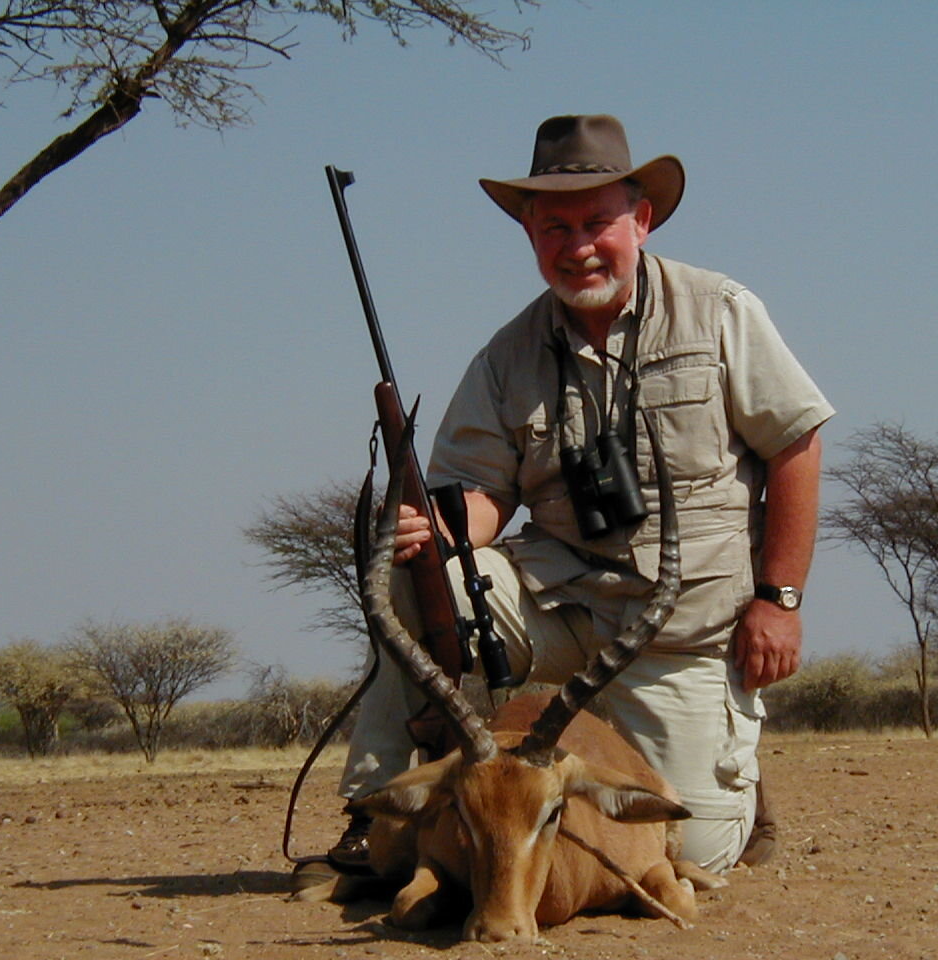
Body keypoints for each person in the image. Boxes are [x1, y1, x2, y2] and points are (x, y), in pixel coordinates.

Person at [332, 114, 834, 873]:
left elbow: (797, 447)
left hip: (682, 629)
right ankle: (374, 815)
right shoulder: (506, 357)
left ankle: (738, 783)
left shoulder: (720, 310)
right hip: (562, 602)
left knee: (693, 851)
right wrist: (433, 529)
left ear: (641, 219)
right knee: (416, 573)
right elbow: (485, 498)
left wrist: (781, 599)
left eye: (597, 222)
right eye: (553, 228)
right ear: (529, 234)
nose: (577, 247)